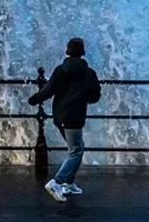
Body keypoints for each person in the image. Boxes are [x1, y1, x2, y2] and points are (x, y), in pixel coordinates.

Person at [28, 37, 101, 202]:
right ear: (82, 52)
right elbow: (95, 96)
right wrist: (85, 96)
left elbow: (48, 90)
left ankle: (69, 183)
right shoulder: (89, 73)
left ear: (68, 51)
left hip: (59, 115)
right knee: (76, 150)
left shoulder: (60, 70)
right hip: (74, 116)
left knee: (76, 148)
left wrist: (34, 99)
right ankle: (57, 182)